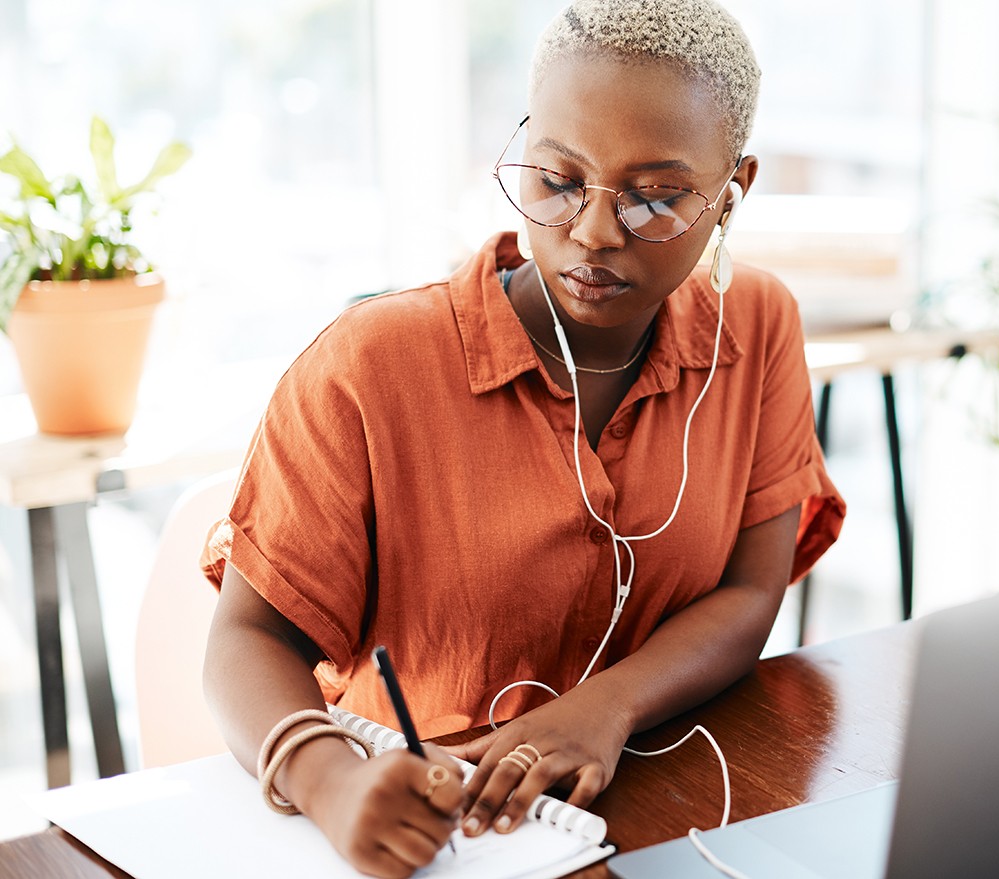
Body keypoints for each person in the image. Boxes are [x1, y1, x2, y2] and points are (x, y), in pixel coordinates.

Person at [201, 1, 845, 876]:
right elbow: (248, 639)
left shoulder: (757, 324)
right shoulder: (370, 366)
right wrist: (329, 781)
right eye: (559, 179)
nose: (593, 231)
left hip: (644, 812)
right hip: (431, 829)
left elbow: (750, 590)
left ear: (732, 193)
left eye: (656, 198)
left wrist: (607, 707)